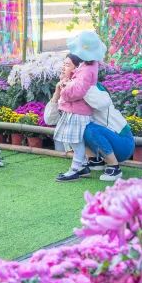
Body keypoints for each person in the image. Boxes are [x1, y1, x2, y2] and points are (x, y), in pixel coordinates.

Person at [49, 31, 106, 181]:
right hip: (76, 110)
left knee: (76, 142)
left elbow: (78, 91)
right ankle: (81, 167)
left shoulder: (87, 70)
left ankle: (75, 169)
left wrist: (65, 89)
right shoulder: (89, 66)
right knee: (74, 141)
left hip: (78, 111)